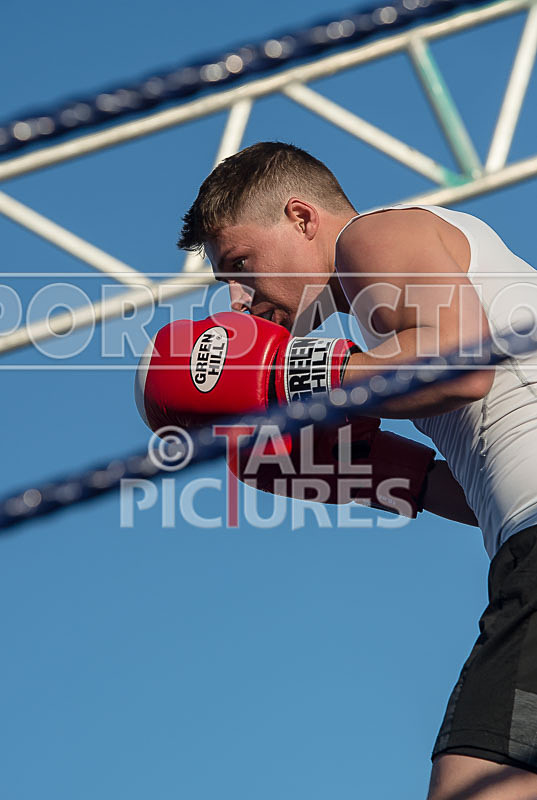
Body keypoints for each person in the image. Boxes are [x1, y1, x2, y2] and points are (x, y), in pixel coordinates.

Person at [142, 141, 537, 798]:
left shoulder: (372, 237)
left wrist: (286, 376)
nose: (240, 299)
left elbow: (462, 367)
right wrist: (370, 472)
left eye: (241, 264)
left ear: (301, 217)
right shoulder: (392, 322)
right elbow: (485, 492)